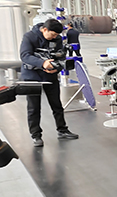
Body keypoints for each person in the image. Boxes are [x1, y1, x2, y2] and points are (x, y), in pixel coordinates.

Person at [20, 18, 79, 147]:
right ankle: (36, 135)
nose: (54, 37)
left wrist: (56, 68)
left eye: (57, 35)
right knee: (34, 107)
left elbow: (60, 56)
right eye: (52, 35)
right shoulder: (29, 37)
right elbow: (25, 55)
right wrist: (42, 63)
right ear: (44, 29)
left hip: (50, 75)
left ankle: (62, 130)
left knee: (56, 104)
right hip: (31, 76)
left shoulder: (57, 39)